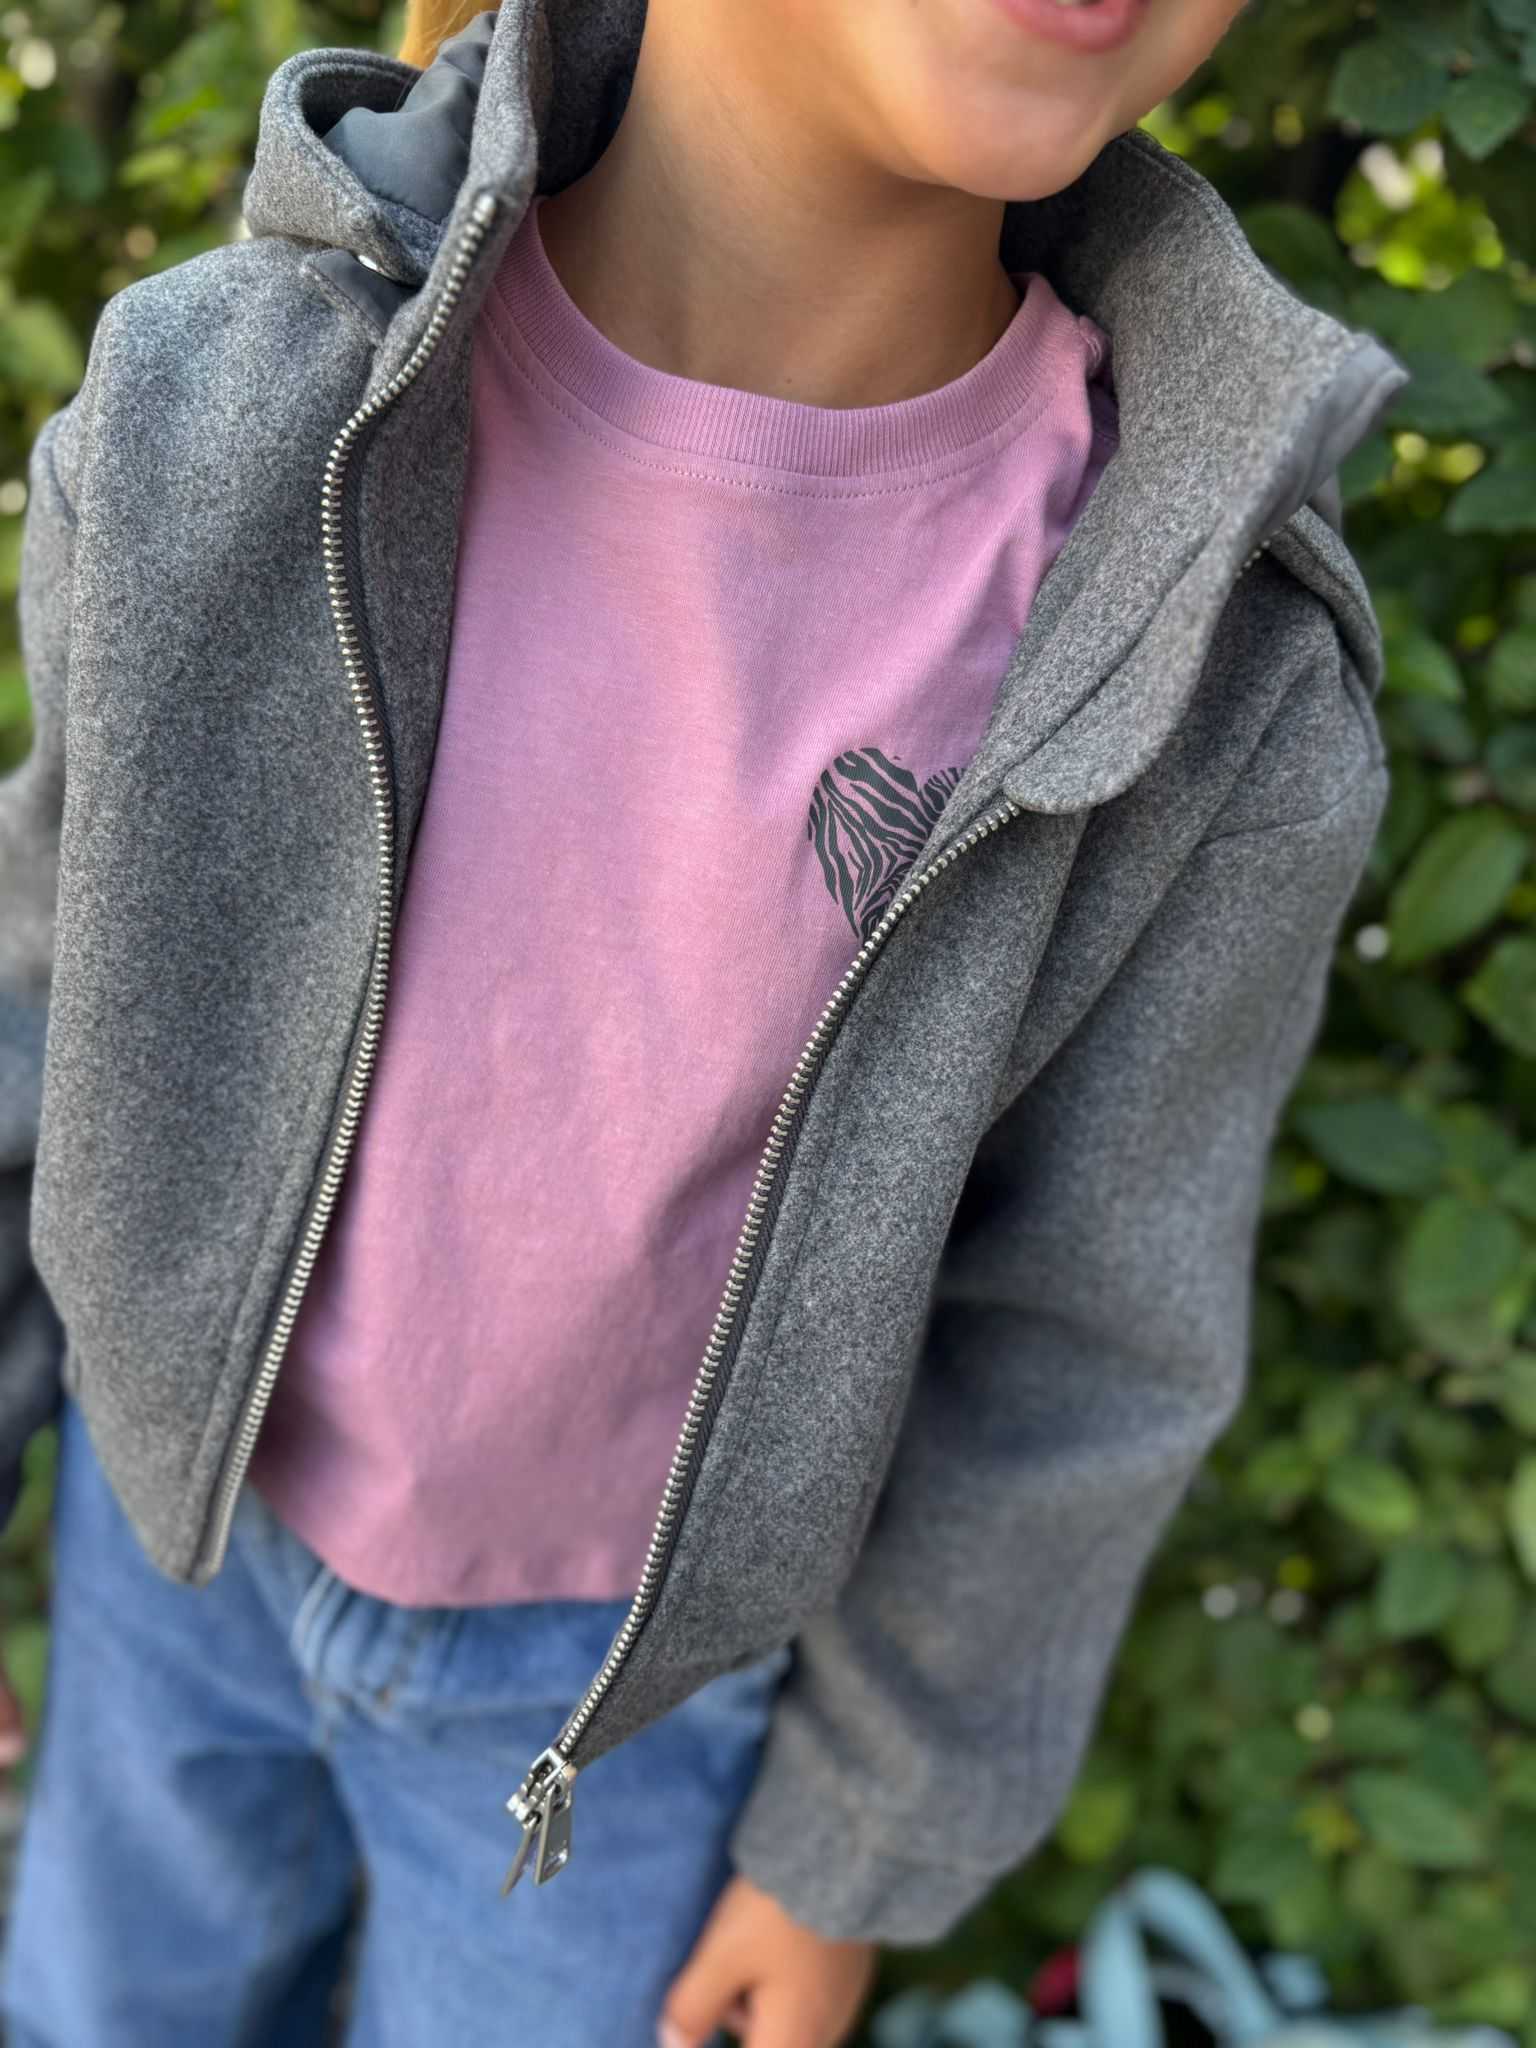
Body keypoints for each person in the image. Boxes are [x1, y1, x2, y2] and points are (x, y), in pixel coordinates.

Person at [0, 0, 1408, 2042]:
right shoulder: (221, 403)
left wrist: (856, 1840)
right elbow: (43, 997)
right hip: (169, 1549)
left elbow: (1089, 1328)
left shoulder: (1206, 673)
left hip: (615, 1720)